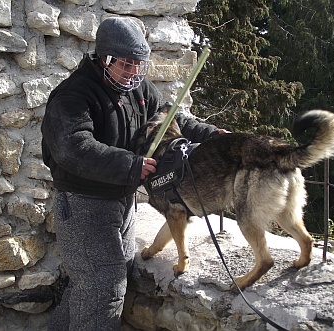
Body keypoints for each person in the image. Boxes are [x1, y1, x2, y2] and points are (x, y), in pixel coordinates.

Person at [41, 17, 223, 331]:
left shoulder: (138, 88)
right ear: (104, 59)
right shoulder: (73, 95)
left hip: (122, 201)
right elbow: (73, 148)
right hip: (84, 204)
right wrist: (131, 165)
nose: (133, 73)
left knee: (95, 283)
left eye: (139, 65)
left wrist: (213, 135)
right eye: (126, 65)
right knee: (102, 287)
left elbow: (170, 119)